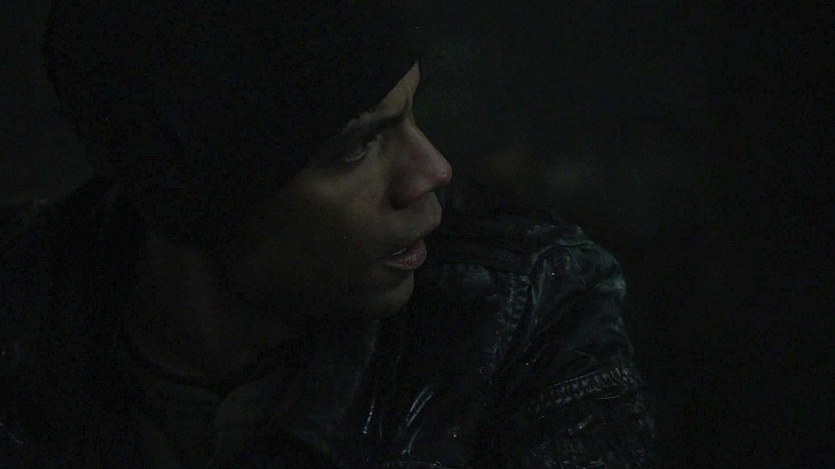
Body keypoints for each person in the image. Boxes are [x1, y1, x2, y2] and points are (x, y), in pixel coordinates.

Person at [0, 1, 654, 467]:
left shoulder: (519, 303)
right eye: (357, 145)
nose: (431, 172)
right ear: (192, 191)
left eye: (410, 114)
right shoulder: (24, 302)